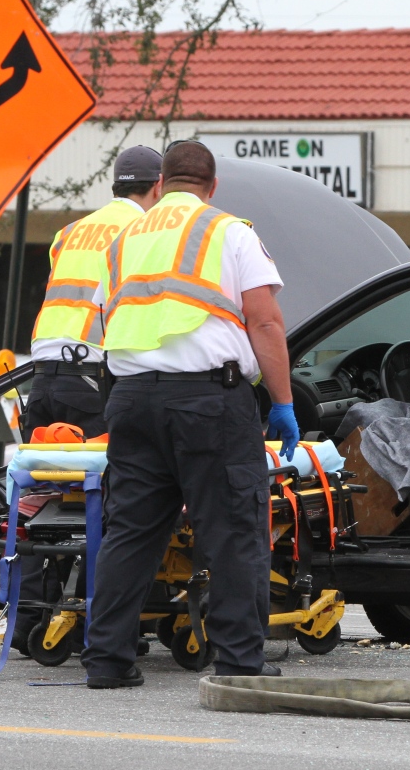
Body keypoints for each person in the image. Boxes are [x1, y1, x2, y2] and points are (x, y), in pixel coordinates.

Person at [81, 140, 299, 688]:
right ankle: (240, 662)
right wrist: (283, 402)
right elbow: (266, 323)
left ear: (161, 184)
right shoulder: (230, 231)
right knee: (231, 530)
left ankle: (106, 660)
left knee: (130, 531)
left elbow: (107, 320)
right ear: (212, 185)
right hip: (208, 401)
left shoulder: (123, 240)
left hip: (131, 400)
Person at [25, 145, 160, 437]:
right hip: (89, 379)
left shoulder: (69, 231)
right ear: (158, 187)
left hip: (41, 377)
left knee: (42, 478)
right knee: (100, 478)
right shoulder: (142, 231)